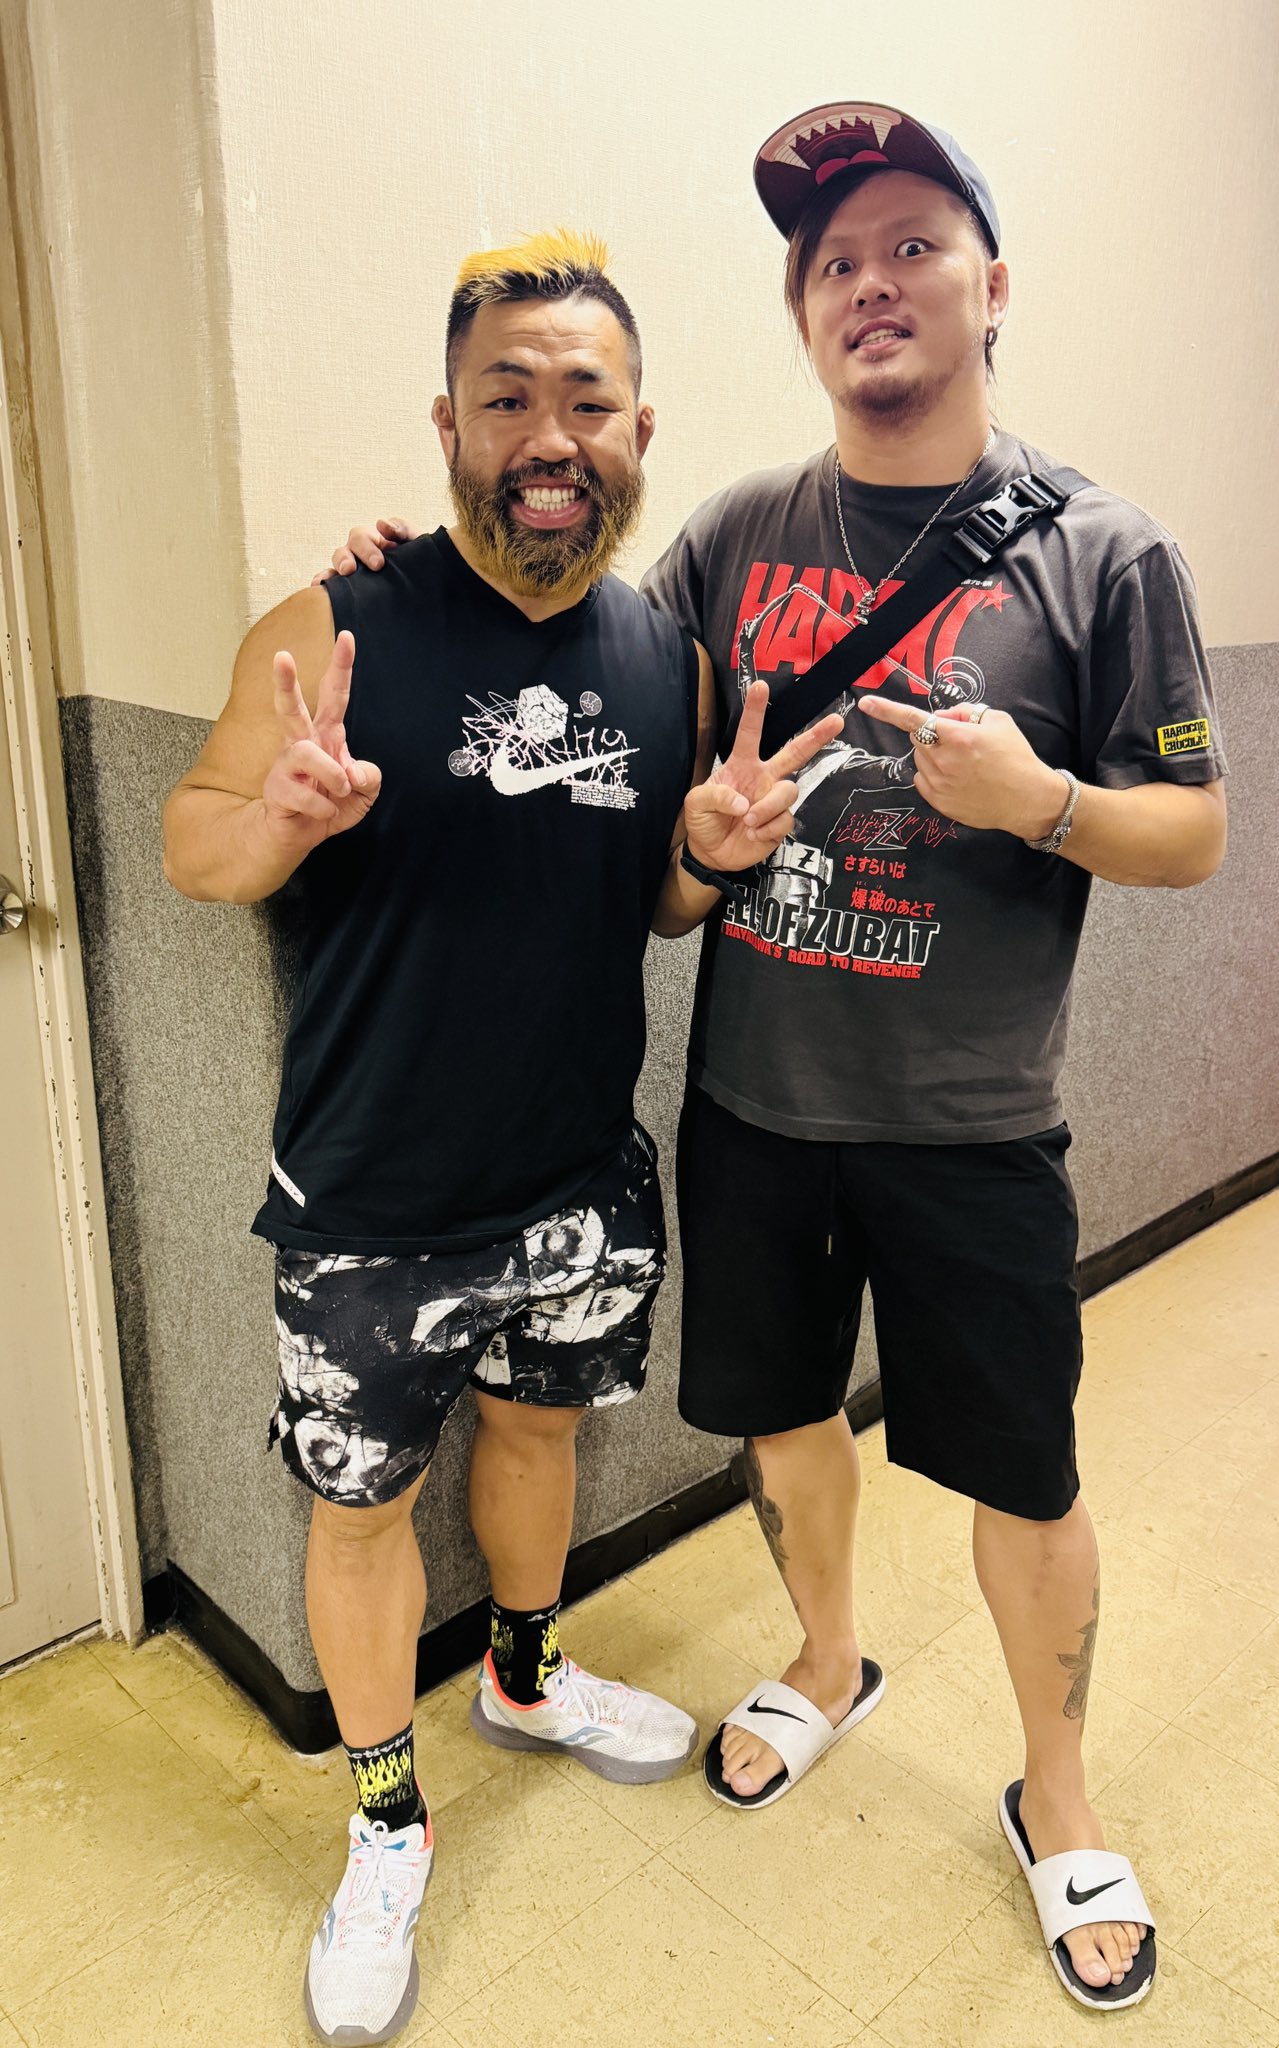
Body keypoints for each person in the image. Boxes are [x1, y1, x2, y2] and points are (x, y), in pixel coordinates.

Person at [326, 102, 1227, 2015]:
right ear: (804, 314)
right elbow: (563, 639)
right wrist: (414, 575)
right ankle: (827, 1662)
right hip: (751, 1106)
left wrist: (1047, 801)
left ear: (993, 287)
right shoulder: (738, 535)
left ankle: (1059, 1798)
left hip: (974, 1125)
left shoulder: (1107, 552)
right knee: (787, 1416)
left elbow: (1195, 832)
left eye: (911, 246)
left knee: (1028, 1479)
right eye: (833, 263)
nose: (869, 284)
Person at [162, 228, 837, 2047]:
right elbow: (194, 842)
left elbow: (657, 909)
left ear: (638, 431)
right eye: (508, 396)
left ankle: (525, 1681)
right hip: (370, 1200)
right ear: (449, 425)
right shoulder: (336, 625)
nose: (550, 434)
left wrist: (709, 855)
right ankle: (388, 1822)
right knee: (362, 1509)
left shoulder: (663, 652)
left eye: (586, 401)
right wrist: (282, 819)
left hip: (578, 1181)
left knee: (541, 1436)